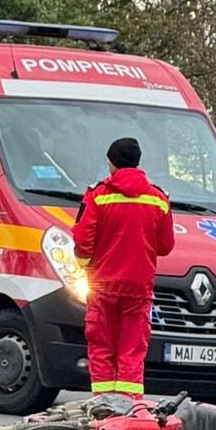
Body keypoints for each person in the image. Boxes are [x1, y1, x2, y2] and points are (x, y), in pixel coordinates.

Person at [73, 137, 175, 397]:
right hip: (139, 289)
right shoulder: (159, 199)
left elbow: (82, 241)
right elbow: (165, 246)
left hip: (103, 286)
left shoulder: (98, 196)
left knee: (101, 349)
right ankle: (129, 414)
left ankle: (104, 412)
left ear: (112, 163)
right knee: (132, 352)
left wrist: (86, 266)